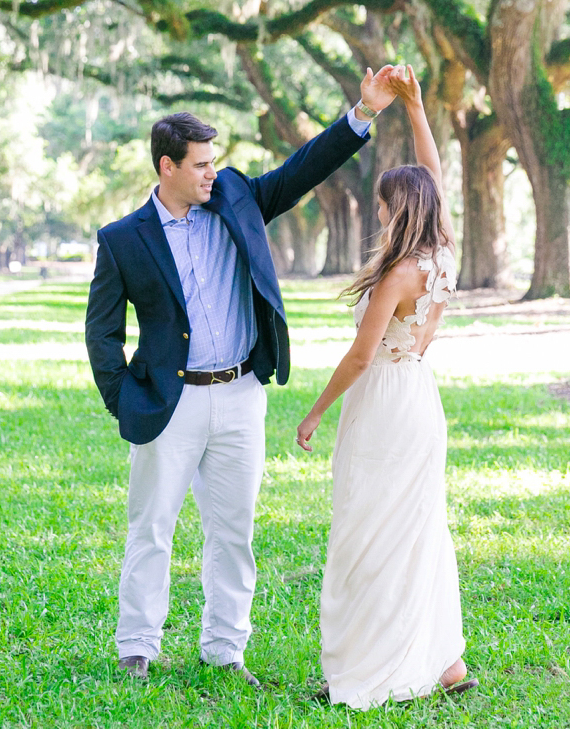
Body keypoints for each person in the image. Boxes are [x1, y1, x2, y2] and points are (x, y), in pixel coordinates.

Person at [85, 67, 403, 685]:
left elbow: (300, 170)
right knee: (152, 528)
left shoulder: (234, 196)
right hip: (166, 402)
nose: (211, 173)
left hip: (239, 393)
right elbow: (102, 332)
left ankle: (225, 649)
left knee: (234, 530)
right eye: (200, 164)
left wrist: (360, 115)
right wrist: (125, 398)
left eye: (213, 162)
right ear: (166, 167)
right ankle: (138, 647)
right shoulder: (123, 239)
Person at [295, 64, 474, 708]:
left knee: (367, 533)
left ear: (400, 208)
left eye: (382, 204)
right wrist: (416, 109)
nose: (376, 212)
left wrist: (315, 412)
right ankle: (444, 660)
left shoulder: (400, 275)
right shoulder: (442, 255)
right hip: (420, 399)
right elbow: (435, 175)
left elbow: (361, 356)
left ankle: (375, 668)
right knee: (417, 530)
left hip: (383, 407)